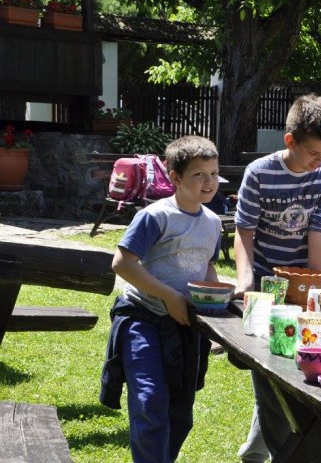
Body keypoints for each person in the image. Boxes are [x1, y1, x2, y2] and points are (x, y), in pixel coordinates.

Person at [233, 93, 321, 463]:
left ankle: (257, 450)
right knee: (271, 366)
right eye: (313, 152)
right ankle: (281, 452)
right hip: (266, 280)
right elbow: (244, 231)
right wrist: (246, 282)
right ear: (290, 141)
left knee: (301, 367)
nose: (320, 161)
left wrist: (313, 289)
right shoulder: (259, 173)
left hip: (304, 277)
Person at [99, 135, 222, 462]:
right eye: (199, 174)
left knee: (180, 414)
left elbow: (207, 267)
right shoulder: (156, 216)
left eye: (213, 173)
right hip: (143, 319)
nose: (208, 182)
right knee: (150, 403)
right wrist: (169, 296)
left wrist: (216, 296)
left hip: (185, 328)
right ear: (176, 178)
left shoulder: (213, 224)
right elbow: (122, 263)